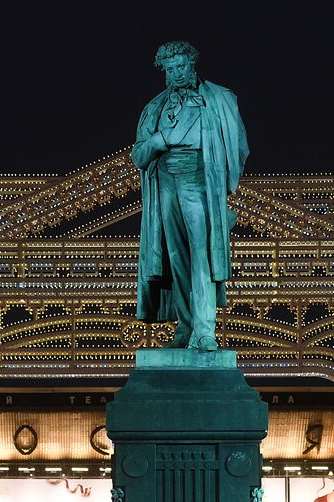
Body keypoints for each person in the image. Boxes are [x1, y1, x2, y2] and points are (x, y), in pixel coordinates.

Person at [133, 41, 248, 351]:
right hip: (166, 184)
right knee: (177, 260)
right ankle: (185, 325)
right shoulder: (154, 107)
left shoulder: (220, 99)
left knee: (203, 258)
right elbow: (139, 155)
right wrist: (158, 141)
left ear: (192, 63)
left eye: (181, 66)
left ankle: (205, 330)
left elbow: (239, 147)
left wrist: (222, 191)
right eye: (170, 69)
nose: (177, 73)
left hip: (200, 180)